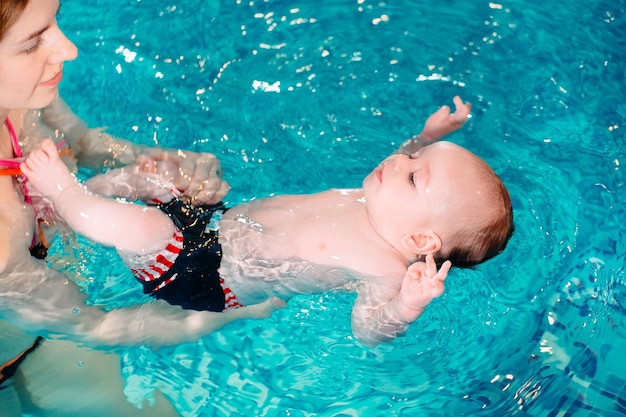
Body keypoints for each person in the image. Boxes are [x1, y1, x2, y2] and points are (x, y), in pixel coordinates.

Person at [21, 96, 514, 348]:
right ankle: (56, 212)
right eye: (415, 157)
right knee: (157, 179)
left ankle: (64, 195)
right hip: (212, 225)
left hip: (204, 276)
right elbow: (406, 162)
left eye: (413, 175)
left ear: (420, 239)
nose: (399, 160)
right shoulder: (378, 199)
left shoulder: (384, 268)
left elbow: (368, 331)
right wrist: (426, 135)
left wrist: (405, 307)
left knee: (143, 229)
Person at [0, 1, 280, 416]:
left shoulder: (20, 95)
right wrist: (235, 303)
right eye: (32, 43)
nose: (68, 48)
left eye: (54, 20)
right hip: (26, 349)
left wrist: (150, 162)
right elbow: (97, 326)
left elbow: (81, 142)